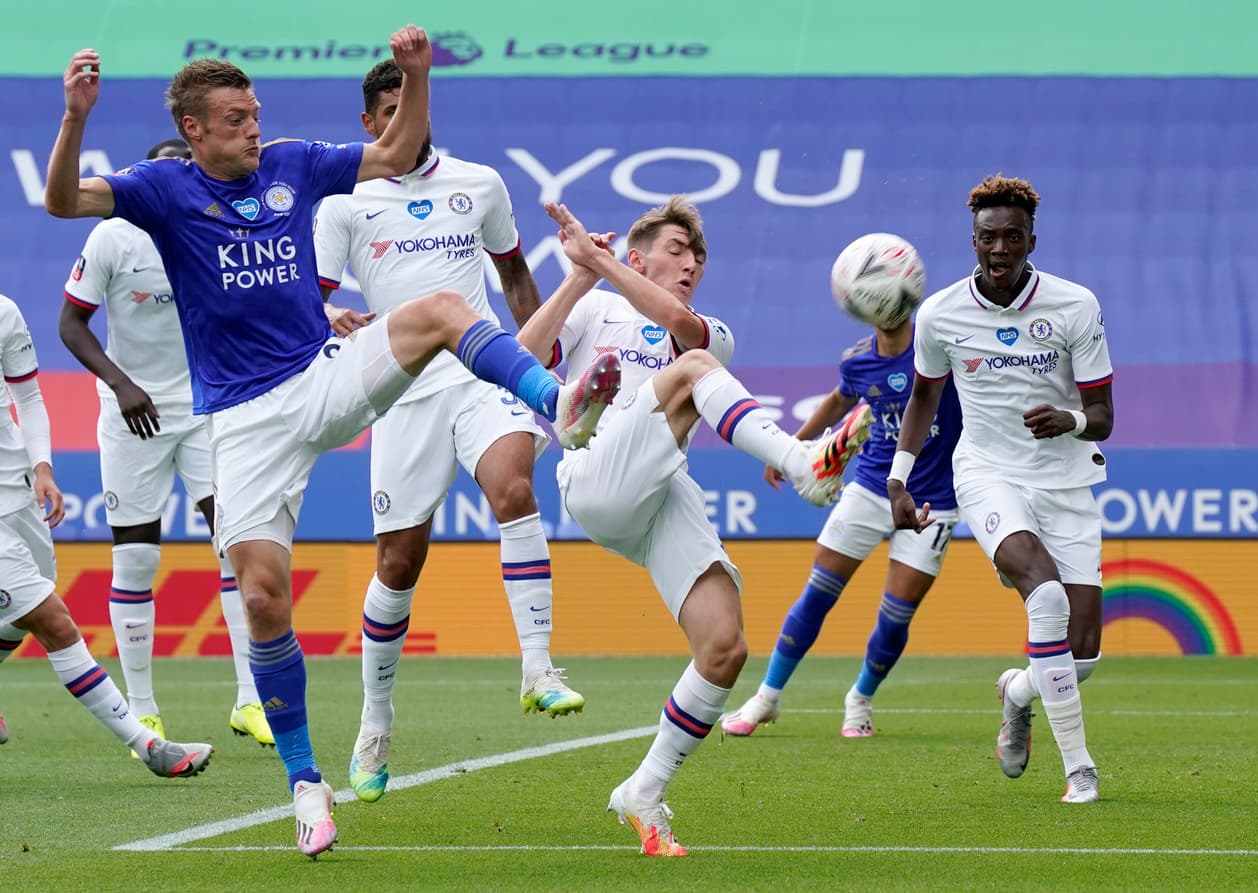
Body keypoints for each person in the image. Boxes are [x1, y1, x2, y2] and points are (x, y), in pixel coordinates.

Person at [46, 27, 618, 858]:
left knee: (443, 310)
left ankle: (555, 402)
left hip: (321, 375)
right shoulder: (161, 190)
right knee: (266, 596)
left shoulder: (294, 164)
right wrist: (73, 118)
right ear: (196, 128)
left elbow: (391, 151)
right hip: (242, 422)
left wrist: (417, 75)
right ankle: (307, 783)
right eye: (237, 118)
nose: (253, 127)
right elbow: (64, 202)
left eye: (256, 113)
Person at [517, 198, 870, 856]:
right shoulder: (595, 307)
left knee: (725, 645)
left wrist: (597, 259)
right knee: (691, 374)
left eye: (697, 256)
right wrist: (578, 276)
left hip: (656, 489)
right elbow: (520, 356)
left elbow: (678, 321)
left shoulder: (708, 329)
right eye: (676, 249)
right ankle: (804, 464)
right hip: (592, 468)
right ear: (637, 255)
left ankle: (644, 789)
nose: (691, 262)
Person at [313, 59, 582, 806]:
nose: (408, 118)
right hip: (399, 389)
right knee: (399, 563)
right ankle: (374, 722)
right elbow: (314, 296)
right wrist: (327, 316)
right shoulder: (345, 202)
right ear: (370, 125)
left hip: (479, 371)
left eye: (416, 103)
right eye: (392, 110)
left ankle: (538, 667)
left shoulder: (480, 184)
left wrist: (537, 355)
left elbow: (516, 271)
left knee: (514, 484)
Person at [887, 174, 1112, 804]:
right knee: (1044, 599)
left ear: (1032, 239)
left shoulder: (1075, 305)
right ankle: (1080, 769)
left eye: (1013, 236)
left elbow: (1103, 416)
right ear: (974, 240)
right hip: (987, 473)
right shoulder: (940, 313)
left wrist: (1066, 420)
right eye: (989, 237)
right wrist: (898, 479)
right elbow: (924, 397)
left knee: (1083, 654)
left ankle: (1017, 692)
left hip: (1066, 480)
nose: (1000, 249)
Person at [58, 137, 273, 751]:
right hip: (132, 413)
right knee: (136, 560)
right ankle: (145, 710)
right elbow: (70, 323)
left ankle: (249, 700)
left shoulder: (216, 227)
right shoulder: (113, 236)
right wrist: (122, 384)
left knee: (235, 549)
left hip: (208, 408)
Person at [0, 290, 213, 777]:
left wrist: (43, 467)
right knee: (53, 619)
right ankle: (150, 747)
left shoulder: (5, 312)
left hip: (16, 487)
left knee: (26, 609)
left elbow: (27, 397)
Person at [721, 316, 963, 739]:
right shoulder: (858, 360)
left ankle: (860, 698)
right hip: (870, 487)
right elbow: (838, 400)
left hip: (933, 499)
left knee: (896, 615)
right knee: (817, 594)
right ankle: (766, 696)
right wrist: (791, 447)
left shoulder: (941, 349)